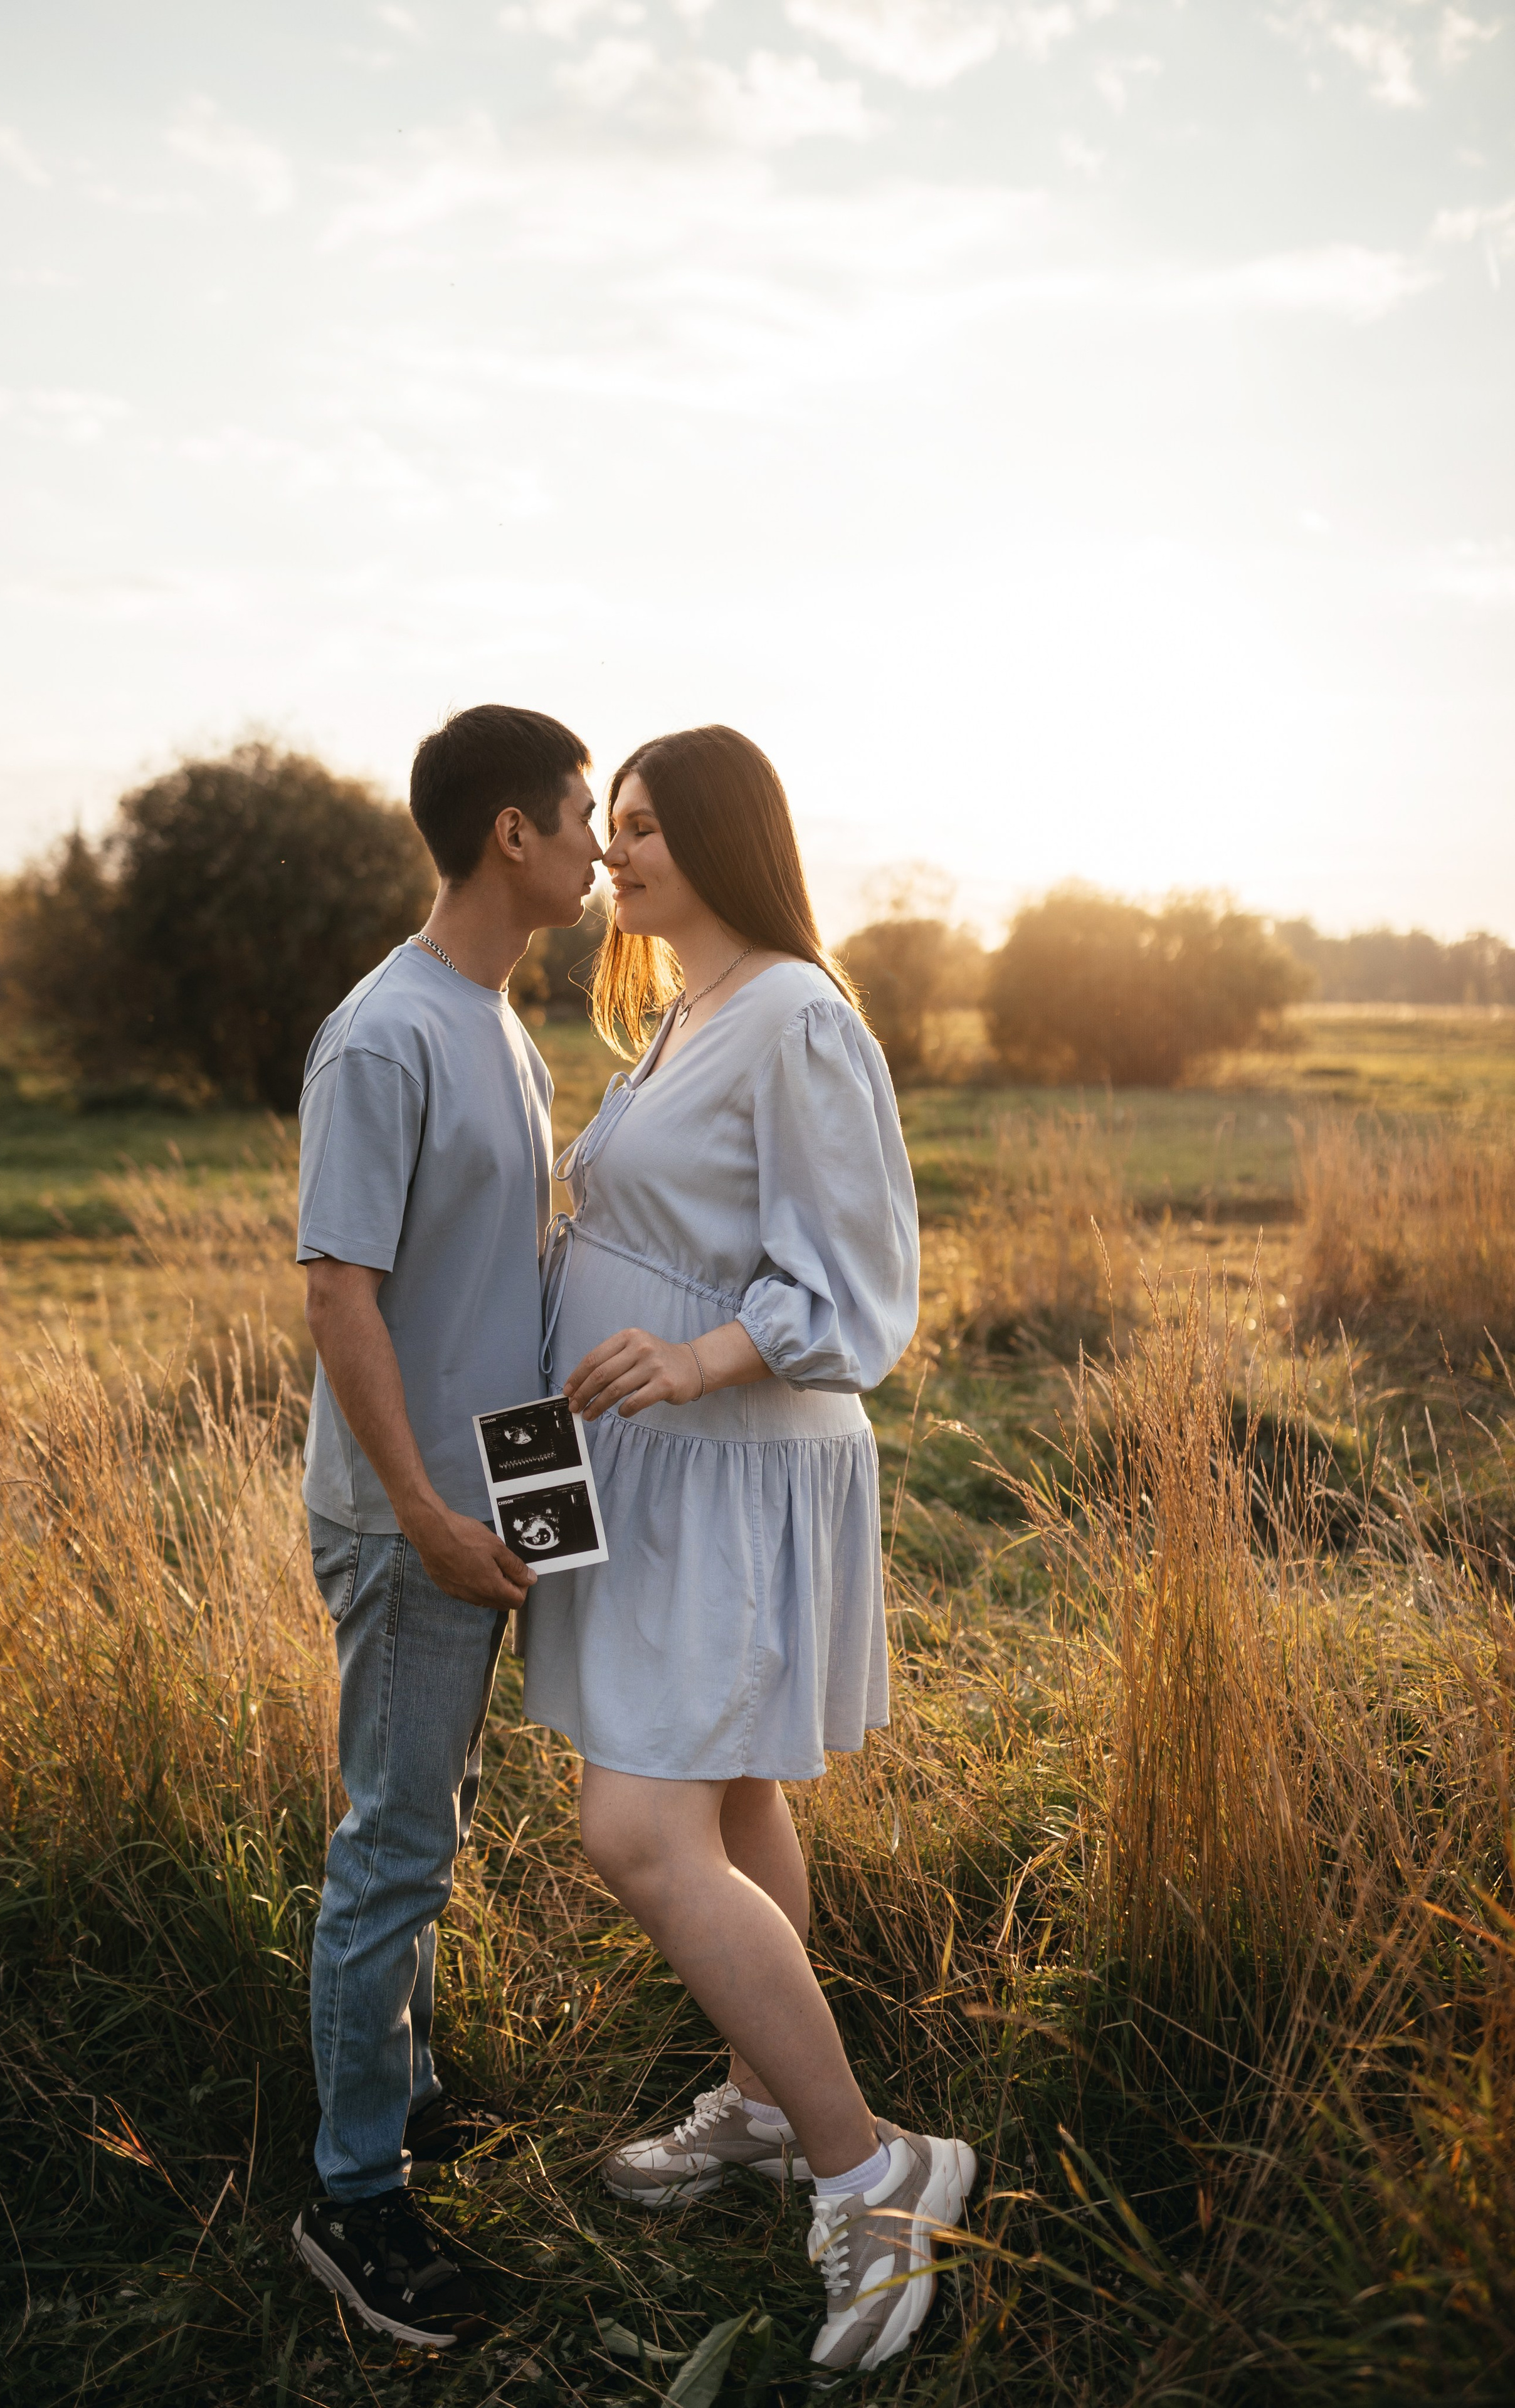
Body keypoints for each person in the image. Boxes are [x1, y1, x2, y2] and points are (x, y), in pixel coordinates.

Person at [521, 724, 978, 2374]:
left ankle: (876, 2172)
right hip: (648, 1472)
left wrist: (697, 1358)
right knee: (722, 1800)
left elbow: (861, 1289)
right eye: (611, 825)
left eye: (645, 827)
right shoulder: (671, 1014)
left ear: (720, 835)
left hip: (733, 1463)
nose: (617, 854)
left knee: (638, 1827)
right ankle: (775, 2103)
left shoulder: (792, 1012)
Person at [289, 703, 602, 2348]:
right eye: (578, 812)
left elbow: (507, 1301)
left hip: (483, 1521)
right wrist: (422, 1511)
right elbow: (341, 1290)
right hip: (406, 1521)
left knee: (435, 1813)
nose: (600, 847)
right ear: (510, 836)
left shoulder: (506, 1028)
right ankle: (353, 2195)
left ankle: (397, 2096)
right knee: (393, 1845)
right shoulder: (387, 1032)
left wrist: (542, 1524)